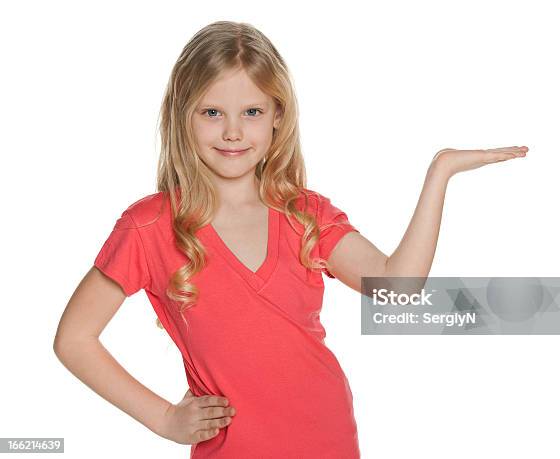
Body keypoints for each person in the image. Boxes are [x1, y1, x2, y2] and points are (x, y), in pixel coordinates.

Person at [53, 20, 529, 458]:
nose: (234, 131)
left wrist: (439, 172)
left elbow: (396, 287)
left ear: (278, 115)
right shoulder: (150, 226)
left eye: (252, 111)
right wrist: (163, 418)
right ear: (183, 116)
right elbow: (74, 339)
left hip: (328, 439)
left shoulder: (306, 215)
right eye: (213, 112)